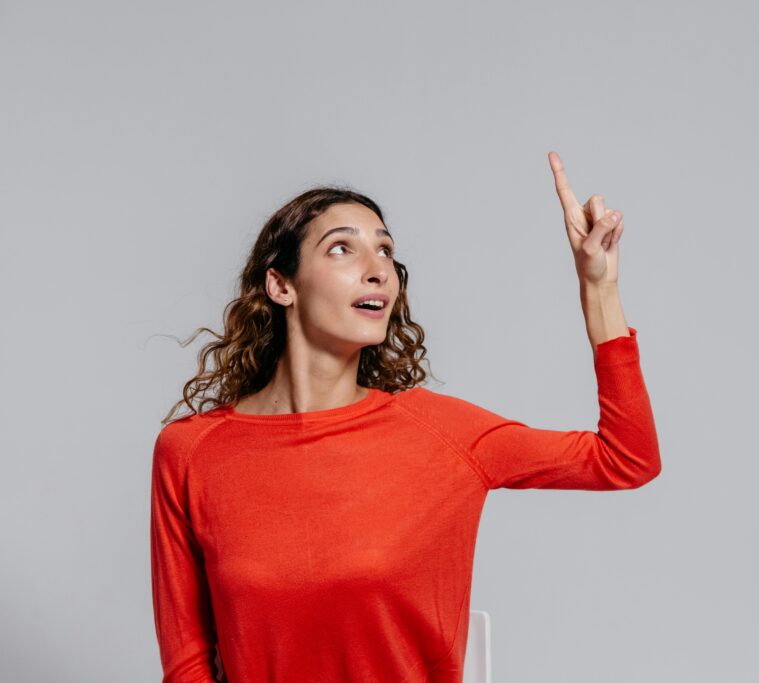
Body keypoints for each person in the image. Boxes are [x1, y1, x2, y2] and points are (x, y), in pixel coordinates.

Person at [149, 151, 662, 682]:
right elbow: (187, 664)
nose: (378, 271)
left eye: (385, 251)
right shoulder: (191, 452)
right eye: (342, 248)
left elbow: (627, 458)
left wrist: (599, 290)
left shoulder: (441, 434)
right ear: (281, 286)